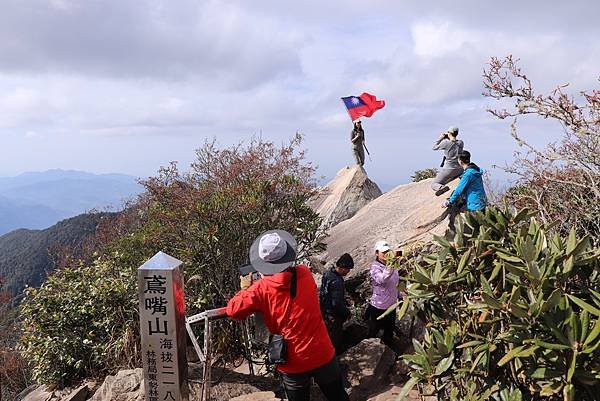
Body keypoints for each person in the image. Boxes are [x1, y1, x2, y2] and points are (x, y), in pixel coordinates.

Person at [226, 230, 350, 401]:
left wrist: (246, 289)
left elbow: (233, 310)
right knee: (338, 396)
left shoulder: (260, 290)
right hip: (322, 352)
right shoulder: (304, 273)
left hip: (293, 363)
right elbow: (285, 281)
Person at [364, 240, 399, 351]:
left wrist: (400, 295)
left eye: (388, 251)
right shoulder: (375, 267)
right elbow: (382, 279)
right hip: (378, 307)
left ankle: (389, 354)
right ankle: (367, 352)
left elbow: (395, 282)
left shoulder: (392, 265)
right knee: (373, 331)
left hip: (391, 305)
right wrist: (390, 266)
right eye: (383, 252)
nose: (386, 254)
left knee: (389, 331)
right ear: (377, 253)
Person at [442, 150, 488, 234]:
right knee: (483, 228)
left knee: (476, 230)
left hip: (474, 205)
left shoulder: (468, 174)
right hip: (482, 201)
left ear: (460, 161)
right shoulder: (475, 170)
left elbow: (458, 191)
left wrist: (449, 201)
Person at [319, 253, 354, 355]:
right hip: (333, 315)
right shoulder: (337, 281)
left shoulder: (328, 274)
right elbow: (336, 303)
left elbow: (325, 293)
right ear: (343, 268)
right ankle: (336, 358)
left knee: (327, 335)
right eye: (348, 269)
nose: (348, 272)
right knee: (335, 338)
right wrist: (347, 313)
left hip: (324, 311)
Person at [431, 126, 464, 196]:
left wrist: (440, 138)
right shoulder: (461, 143)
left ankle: (441, 187)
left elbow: (434, 147)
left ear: (449, 133)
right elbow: (454, 143)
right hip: (460, 169)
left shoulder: (446, 143)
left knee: (434, 184)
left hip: (449, 170)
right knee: (450, 179)